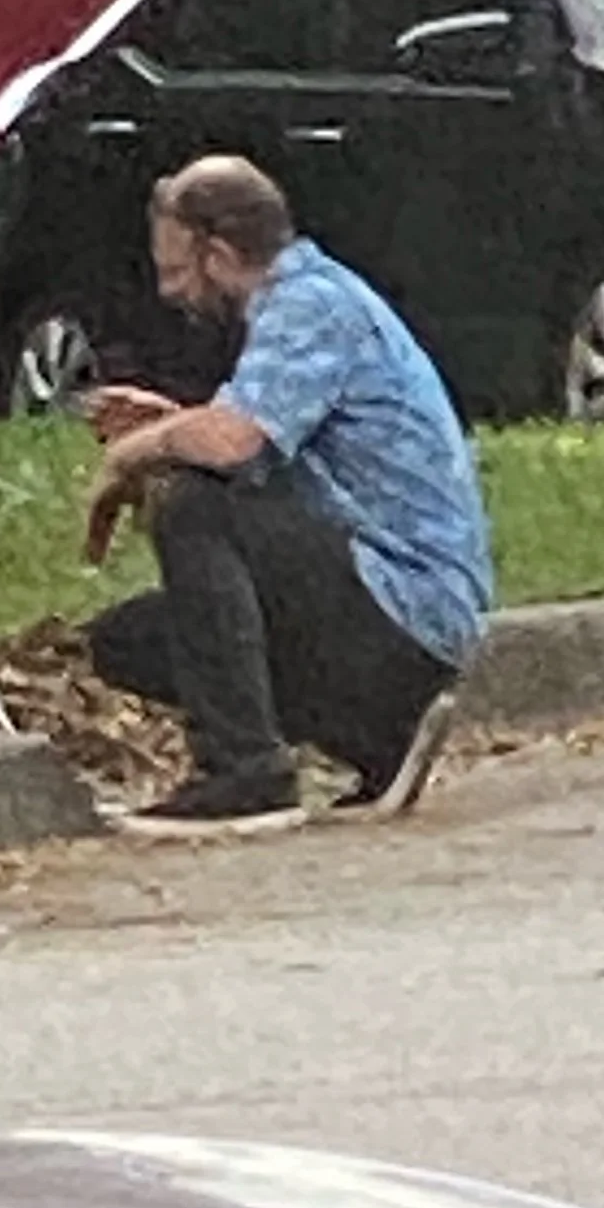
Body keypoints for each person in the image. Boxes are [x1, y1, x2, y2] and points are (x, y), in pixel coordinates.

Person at [80, 157, 492, 838]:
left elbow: (233, 444)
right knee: (131, 641)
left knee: (190, 503)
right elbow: (257, 444)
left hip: (410, 601)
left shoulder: (310, 304)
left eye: (176, 272)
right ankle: (375, 738)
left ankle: (244, 775)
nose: (170, 294)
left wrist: (136, 451)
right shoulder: (308, 302)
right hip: (392, 604)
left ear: (217, 253)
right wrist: (172, 423)